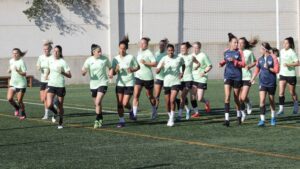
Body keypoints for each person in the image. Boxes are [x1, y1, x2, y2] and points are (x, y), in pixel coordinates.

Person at [82, 44, 113, 128]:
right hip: (93, 85)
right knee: (97, 104)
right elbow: (83, 70)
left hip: (103, 83)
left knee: (98, 101)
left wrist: (110, 73)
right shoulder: (89, 60)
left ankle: (97, 120)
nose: (100, 53)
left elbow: (110, 67)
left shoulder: (105, 59)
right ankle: (100, 117)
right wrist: (84, 72)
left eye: (100, 51)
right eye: (98, 51)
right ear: (93, 52)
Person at [112, 36, 140, 128]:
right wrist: (115, 70)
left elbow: (138, 67)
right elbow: (113, 72)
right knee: (119, 103)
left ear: (126, 49)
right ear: (118, 48)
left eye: (124, 48)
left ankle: (131, 110)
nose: (122, 50)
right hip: (120, 83)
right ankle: (122, 120)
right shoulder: (115, 59)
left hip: (129, 83)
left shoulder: (131, 57)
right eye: (120, 48)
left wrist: (132, 69)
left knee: (124, 103)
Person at [219, 33, 245, 127]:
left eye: (237, 42)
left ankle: (239, 116)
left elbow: (243, 64)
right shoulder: (226, 52)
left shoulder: (239, 52)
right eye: (235, 42)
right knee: (227, 97)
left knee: (236, 98)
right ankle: (227, 119)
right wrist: (221, 63)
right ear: (230, 43)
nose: (236, 44)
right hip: (227, 76)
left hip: (237, 76)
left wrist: (234, 61)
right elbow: (225, 60)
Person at [250, 43, 279, 126]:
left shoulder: (273, 57)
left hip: (271, 82)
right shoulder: (260, 59)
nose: (260, 50)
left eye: (261, 49)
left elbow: (277, 70)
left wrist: (269, 68)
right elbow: (256, 70)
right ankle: (262, 120)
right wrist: (252, 79)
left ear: (265, 49)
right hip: (262, 82)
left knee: (271, 101)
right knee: (262, 100)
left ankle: (273, 117)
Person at [156, 44, 185, 127]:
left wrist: (182, 72)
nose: (170, 52)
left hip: (175, 82)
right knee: (167, 102)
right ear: (167, 51)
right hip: (166, 83)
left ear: (174, 50)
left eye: (172, 50)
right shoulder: (164, 59)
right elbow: (157, 71)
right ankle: (170, 116)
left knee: (172, 100)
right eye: (169, 50)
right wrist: (161, 66)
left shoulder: (179, 58)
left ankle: (171, 119)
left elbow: (183, 65)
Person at [46, 45, 72, 129]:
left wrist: (63, 72)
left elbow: (70, 75)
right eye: (54, 51)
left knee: (60, 106)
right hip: (51, 85)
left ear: (60, 52)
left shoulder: (63, 62)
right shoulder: (50, 60)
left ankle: (60, 121)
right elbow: (49, 69)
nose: (55, 52)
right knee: (49, 105)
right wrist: (47, 75)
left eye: (57, 51)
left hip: (60, 85)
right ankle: (55, 113)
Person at [132, 37, 157, 120]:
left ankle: (154, 110)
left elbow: (154, 63)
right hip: (138, 77)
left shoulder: (149, 52)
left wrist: (146, 63)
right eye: (141, 43)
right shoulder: (139, 52)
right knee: (136, 95)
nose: (142, 45)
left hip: (148, 78)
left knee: (150, 96)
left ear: (147, 45)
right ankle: (134, 115)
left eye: (144, 43)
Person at [177, 42, 200, 121]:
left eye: (183, 48)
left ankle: (179, 114)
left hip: (188, 79)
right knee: (182, 98)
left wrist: (196, 68)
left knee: (183, 96)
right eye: (181, 48)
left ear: (187, 49)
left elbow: (198, 63)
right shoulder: (178, 56)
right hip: (180, 80)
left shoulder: (191, 57)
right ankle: (187, 110)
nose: (182, 50)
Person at [277, 37, 299, 115]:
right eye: (284, 43)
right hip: (282, 74)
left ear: (290, 44)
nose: (284, 44)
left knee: (292, 92)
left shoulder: (292, 52)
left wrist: (288, 64)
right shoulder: (281, 51)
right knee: (281, 92)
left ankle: (296, 106)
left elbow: (298, 63)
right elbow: (279, 60)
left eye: (286, 43)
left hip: (291, 75)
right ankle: (281, 109)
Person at [238, 37, 258, 121]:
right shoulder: (235, 52)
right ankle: (243, 114)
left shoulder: (249, 52)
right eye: (238, 43)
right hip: (237, 76)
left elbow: (255, 62)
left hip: (247, 77)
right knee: (239, 99)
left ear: (245, 44)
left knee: (243, 97)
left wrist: (249, 66)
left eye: (242, 43)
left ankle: (249, 103)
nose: (239, 44)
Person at [191, 42, 213, 118]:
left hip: (202, 79)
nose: (194, 49)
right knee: (192, 96)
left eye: (196, 48)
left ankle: (206, 102)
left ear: (199, 48)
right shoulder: (192, 55)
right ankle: (196, 112)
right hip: (193, 78)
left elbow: (210, 66)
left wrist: (204, 72)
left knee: (199, 98)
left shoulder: (203, 55)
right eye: (193, 47)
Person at [7, 48, 28, 120]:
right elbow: (11, 67)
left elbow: (24, 73)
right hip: (13, 83)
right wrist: (9, 70)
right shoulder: (11, 61)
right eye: (13, 53)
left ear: (19, 54)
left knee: (19, 100)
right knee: (9, 99)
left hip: (21, 84)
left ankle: (23, 113)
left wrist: (18, 71)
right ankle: (16, 108)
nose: (14, 55)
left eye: (16, 53)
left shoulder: (22, 62)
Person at [37, 40, 53, 120]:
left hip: (50, 81)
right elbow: (37, 65)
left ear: (50, 49)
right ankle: (54, 102)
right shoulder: (41, 57)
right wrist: (38, 67)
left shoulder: (52, 57)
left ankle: (46, 114)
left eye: (47, 49)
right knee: (42, 99)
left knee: (45, 98)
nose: (45, 50)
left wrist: (48, 74)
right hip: (42, 80)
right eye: (44, 49)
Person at [153, 38, 168, 117]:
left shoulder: (167, 54)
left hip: (167, 78)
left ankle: (170, 112)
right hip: (158, 77)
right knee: (156, 96)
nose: (161, 46)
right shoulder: (156, 54)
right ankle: (155, 111)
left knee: (167, 96)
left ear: (165, 46)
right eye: (160, 45)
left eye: (162, 45)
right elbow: (155, 64)